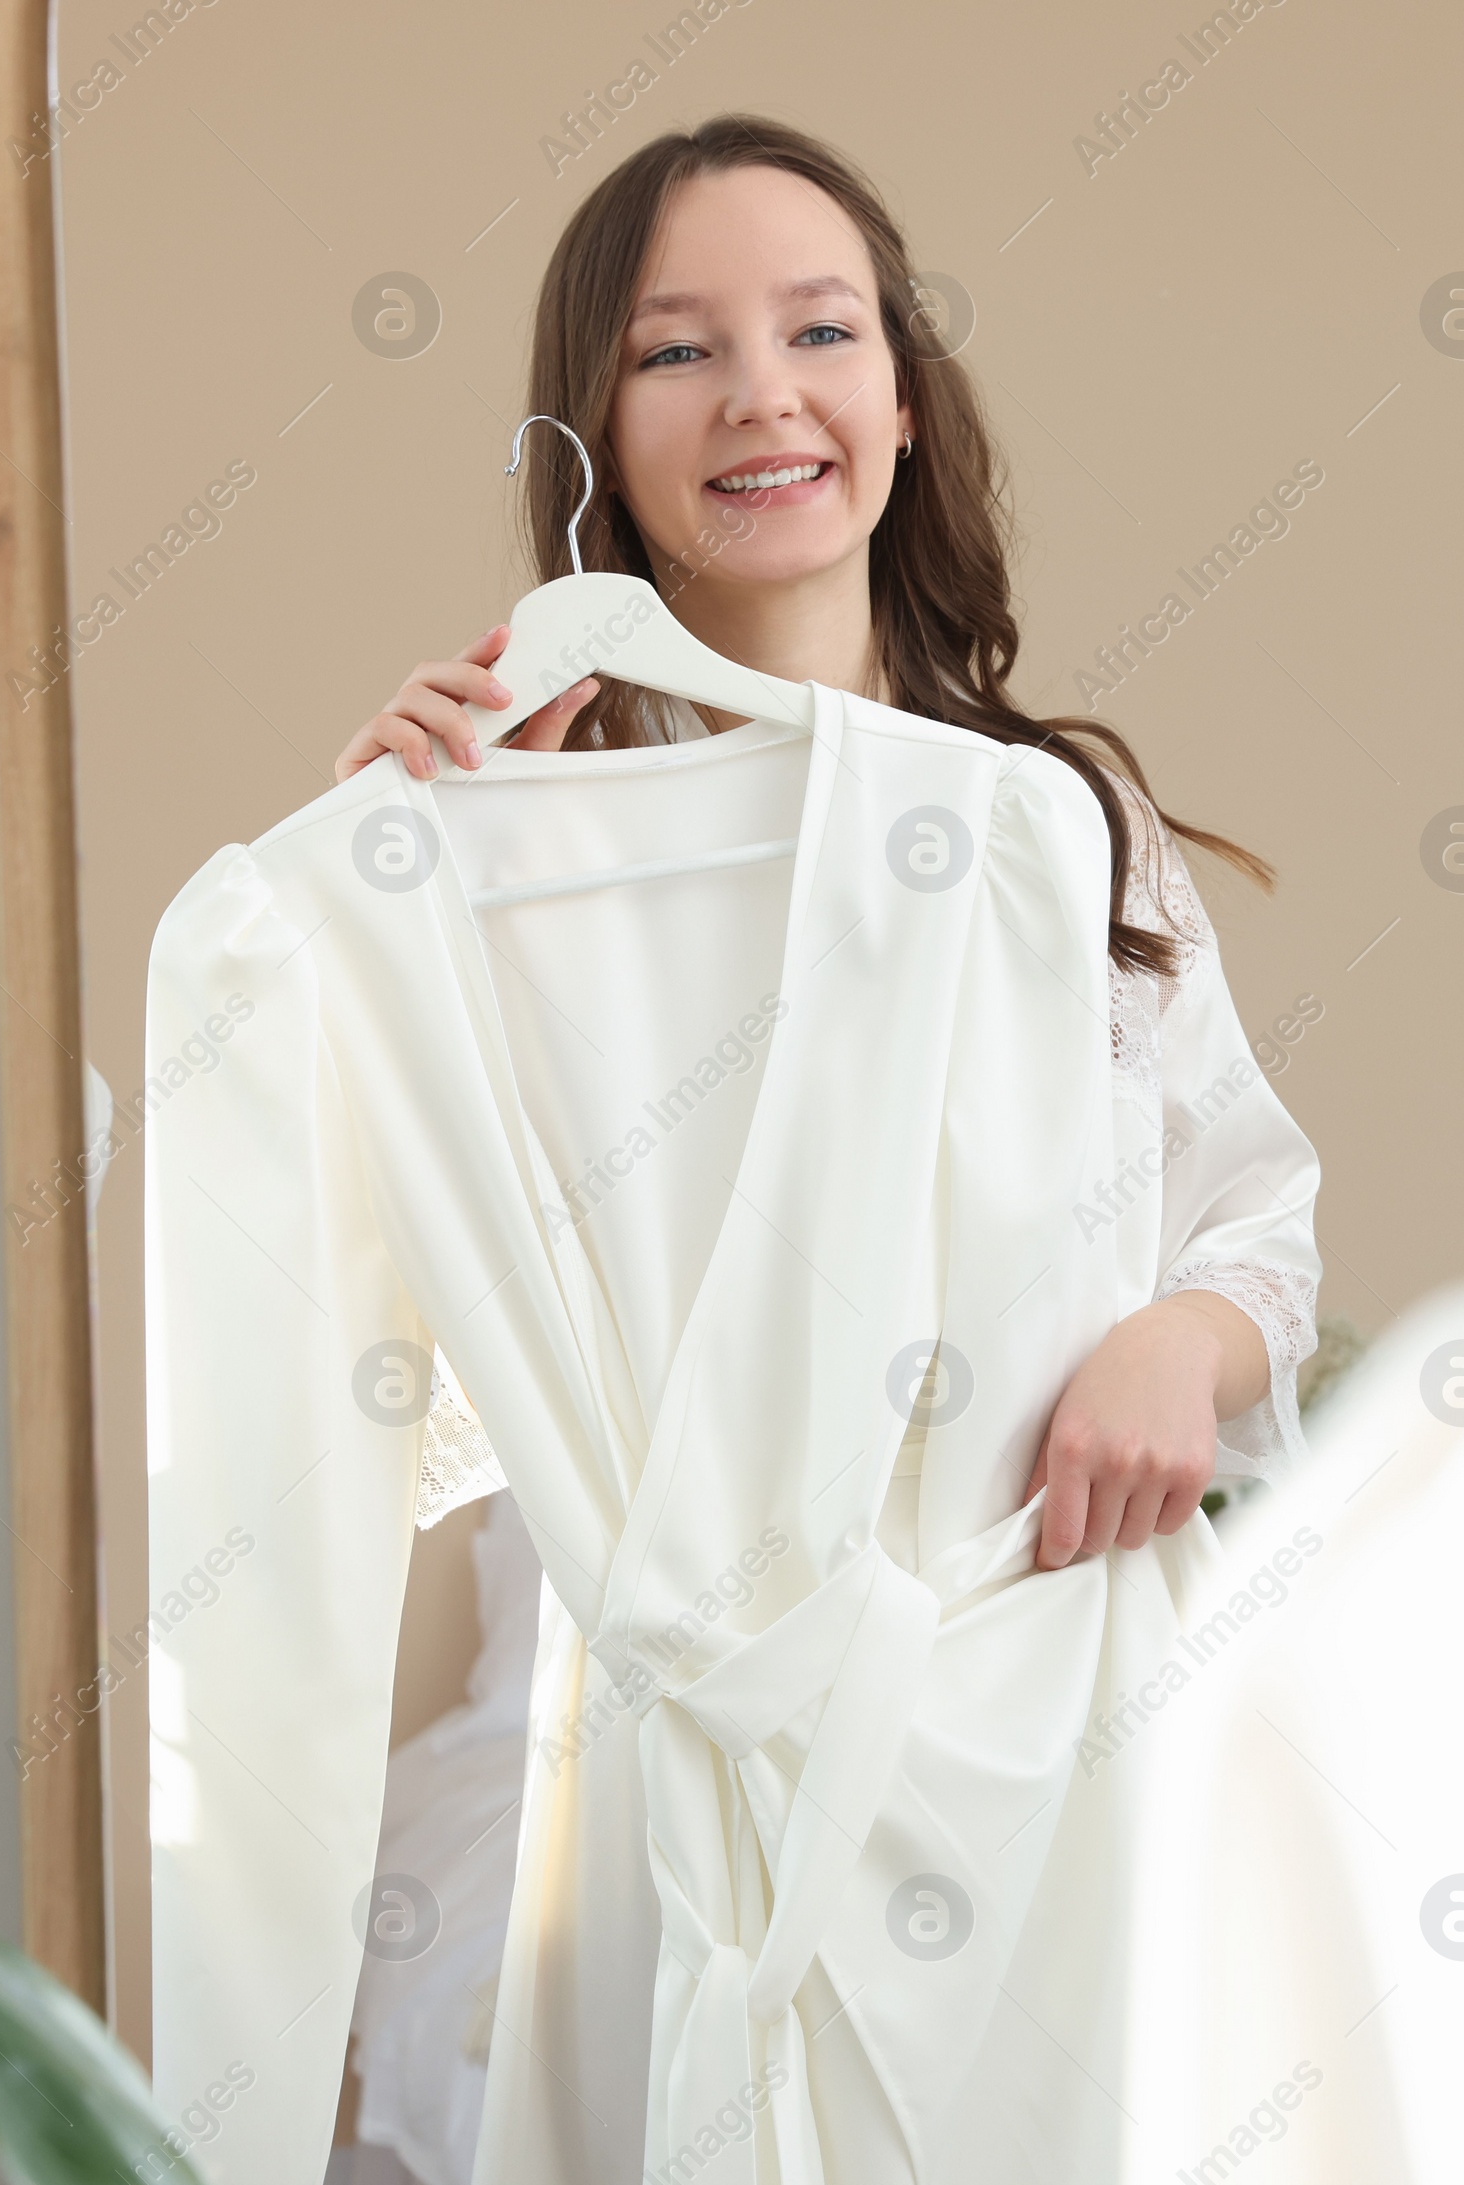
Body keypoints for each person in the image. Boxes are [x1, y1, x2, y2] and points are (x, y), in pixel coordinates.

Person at [332, 112, 1319, 1576]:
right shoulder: (513, 835)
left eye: (821, 333)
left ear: (906, 397)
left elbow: (1256, 1234)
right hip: (683, 1705)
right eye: (676, 352)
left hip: (1049, 1674)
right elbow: (420, 1351)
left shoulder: (1056, 825)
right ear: (592, 426)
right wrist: (394, 922)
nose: (763, 397)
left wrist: (1177, 1344)